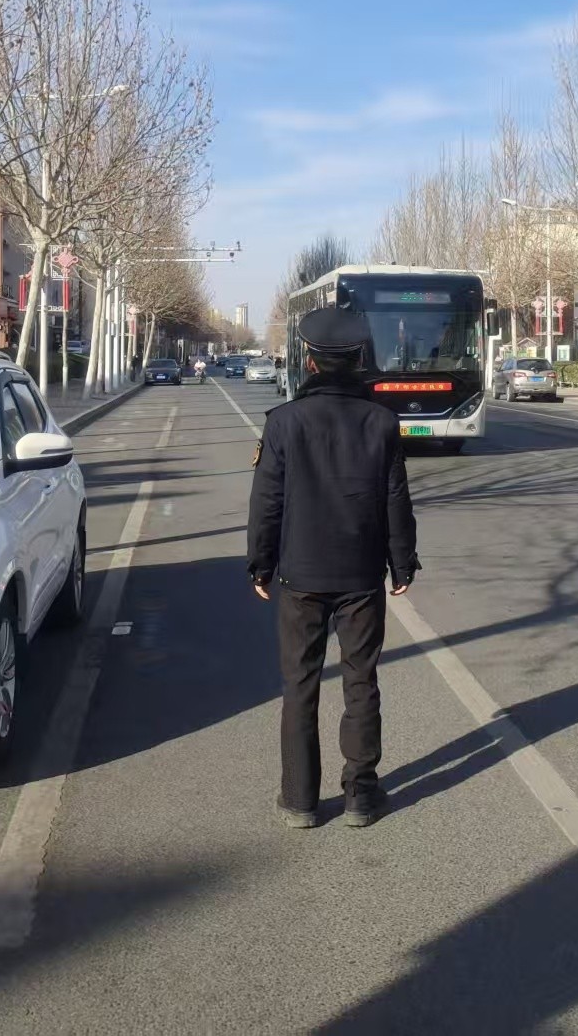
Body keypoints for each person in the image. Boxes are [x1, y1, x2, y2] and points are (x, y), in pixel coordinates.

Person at [247, 305, 419, 830]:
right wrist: (402, 564)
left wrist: (260, 565)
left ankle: (300, 799)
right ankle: (360, 797)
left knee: (299, 686)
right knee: (361, 682)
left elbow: (267, 502)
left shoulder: (284, 422)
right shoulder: (381, 422)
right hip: (361, 576)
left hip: (300, 576)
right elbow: (395, 500)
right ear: (358, 359)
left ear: (311, 361)